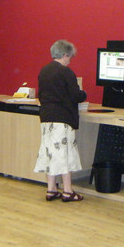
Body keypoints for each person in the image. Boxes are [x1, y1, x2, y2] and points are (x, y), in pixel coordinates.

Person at [34, 39, 87, 202]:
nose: (70, 60)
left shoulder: (44, 71)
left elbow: (41, 94)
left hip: (46, 118)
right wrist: (84, 94)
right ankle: (68, 190)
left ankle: (51, 189)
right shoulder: (66, 72)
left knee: (50, 152)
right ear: (64, 55)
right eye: (70, 57)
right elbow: (75, 95)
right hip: (62, 119)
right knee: (65, 154)